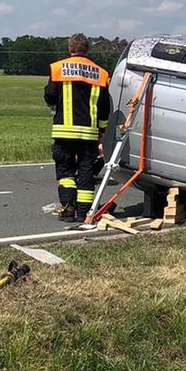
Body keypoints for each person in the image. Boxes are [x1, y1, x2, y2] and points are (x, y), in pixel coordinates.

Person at [44, 33, 112, 227]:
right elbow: (104, 108)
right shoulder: (101, 73)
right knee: (86, 173)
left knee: (65, 172)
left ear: (70, 49)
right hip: (88, 133)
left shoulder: (58, 68)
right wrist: (102, 133)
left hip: (63, 132)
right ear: (87, 50)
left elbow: (50, 96)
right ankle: (84, 213)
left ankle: (68, 210)